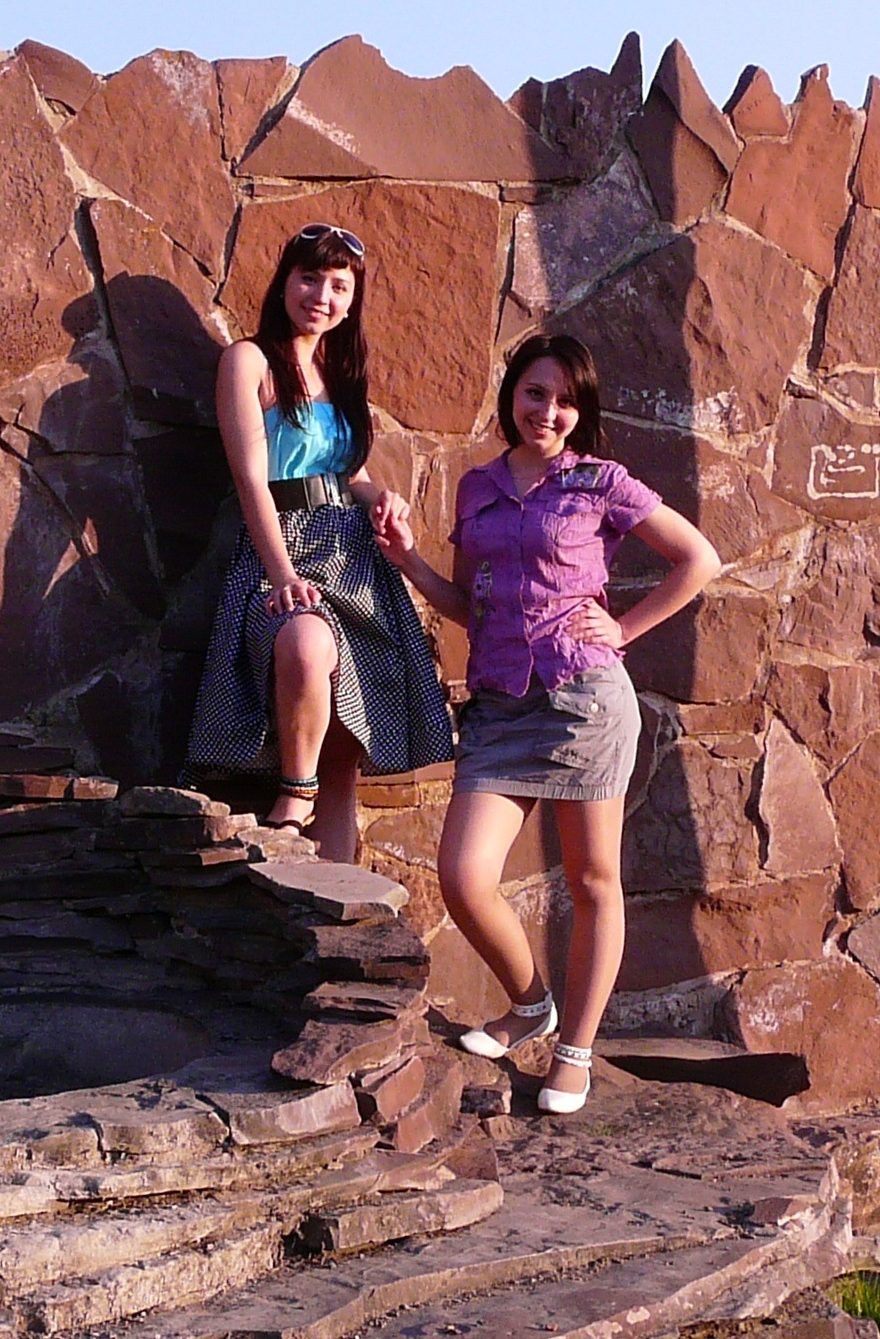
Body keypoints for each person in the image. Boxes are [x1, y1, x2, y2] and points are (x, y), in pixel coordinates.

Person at [374, 333, 720, 1114]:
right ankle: (531, 1005)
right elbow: (471, 606)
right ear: (512, 396)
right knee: (465, 877)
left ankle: (576, 1052)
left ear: (580, 411)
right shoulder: (477, 487)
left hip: (583, 700)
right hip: (500, 706)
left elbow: (698, 559)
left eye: (566, 400)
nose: (549, 412)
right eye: (536, 393)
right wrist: (407, 561)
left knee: (594, 881)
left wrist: (623, 630)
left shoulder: (601, 482)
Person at [182, 223, 453, 860]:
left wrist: (381, 496)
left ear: (352, 301)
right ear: (284, 282)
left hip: (354, 556)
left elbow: (347, 472)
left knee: (345, 750)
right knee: (304, 645)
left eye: (338, 286)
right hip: (283, 546)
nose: (321, 297)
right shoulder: (248, 361)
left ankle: (334, 898)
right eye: (309, 278)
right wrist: (281, 574)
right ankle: (293, 793)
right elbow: (252, 478)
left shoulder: (340, 371)